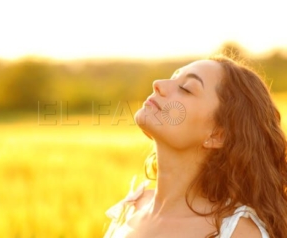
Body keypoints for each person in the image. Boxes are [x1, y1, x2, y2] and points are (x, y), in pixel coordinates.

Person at [103, 55, 287, 238]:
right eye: (173, 77)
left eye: (186, 88)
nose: (158, 84)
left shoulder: (238, 232)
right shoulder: (131, 208)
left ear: (217, 135)